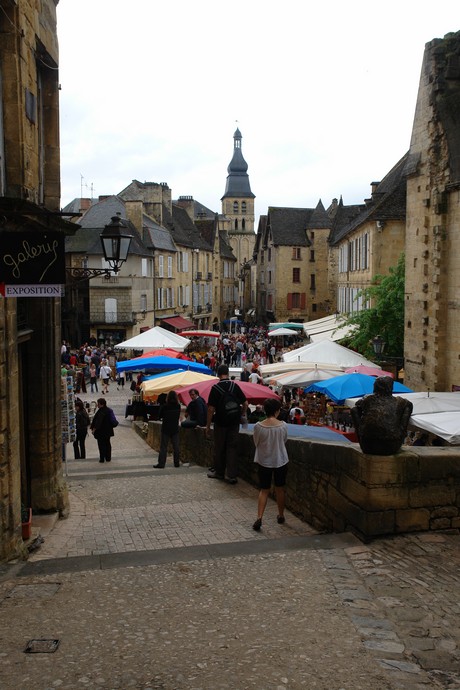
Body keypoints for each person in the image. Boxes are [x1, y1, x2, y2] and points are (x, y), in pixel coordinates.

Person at [206, 364, 248, 484]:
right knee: (232, 448)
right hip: (234, 423)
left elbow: (210, 409)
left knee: (219, 448)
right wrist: (241, 415)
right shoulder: (234, 386)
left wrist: (208, 426)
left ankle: (219, 473)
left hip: (220, 422)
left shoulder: (215, 388)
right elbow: (245, 403)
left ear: (218, 374)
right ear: (228, 373)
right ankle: (232, 475)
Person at [252, 398, 289, 531]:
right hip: (280, 460)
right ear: (276, 411)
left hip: (264, 461)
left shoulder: (259, 426)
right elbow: (284, 440)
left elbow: (256, 442)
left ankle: (259, 517)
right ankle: (280, 515)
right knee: (280, 488)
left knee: (264, 490)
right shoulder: (283, 426)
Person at [351, 376, 413, 455]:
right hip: (392, 445)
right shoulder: (399, 401)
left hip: (367, 445)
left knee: (354, 410)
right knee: (407, 408)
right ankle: (400, 434)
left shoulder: (368, 399)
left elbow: (358, 405)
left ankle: (365, 433)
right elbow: (409, 405)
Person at [154, 390, 181, 468]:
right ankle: (176, 463)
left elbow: (160, 416)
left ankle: (161, 463)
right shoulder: (178, 406)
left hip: (166, 428)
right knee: (176, 446)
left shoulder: (165, 406)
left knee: (163, 446)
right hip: (175, 428)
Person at [90, 397, 116, 463]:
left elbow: (98, 422)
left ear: (101, 404)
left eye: (98, 404)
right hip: (108, 430)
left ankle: (102, 458)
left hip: (101, 431)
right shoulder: (109, 410)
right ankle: (108, 457)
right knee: (107, 443)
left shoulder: (101, 411)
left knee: (101, 445)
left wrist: (94, 429)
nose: (97, 405)